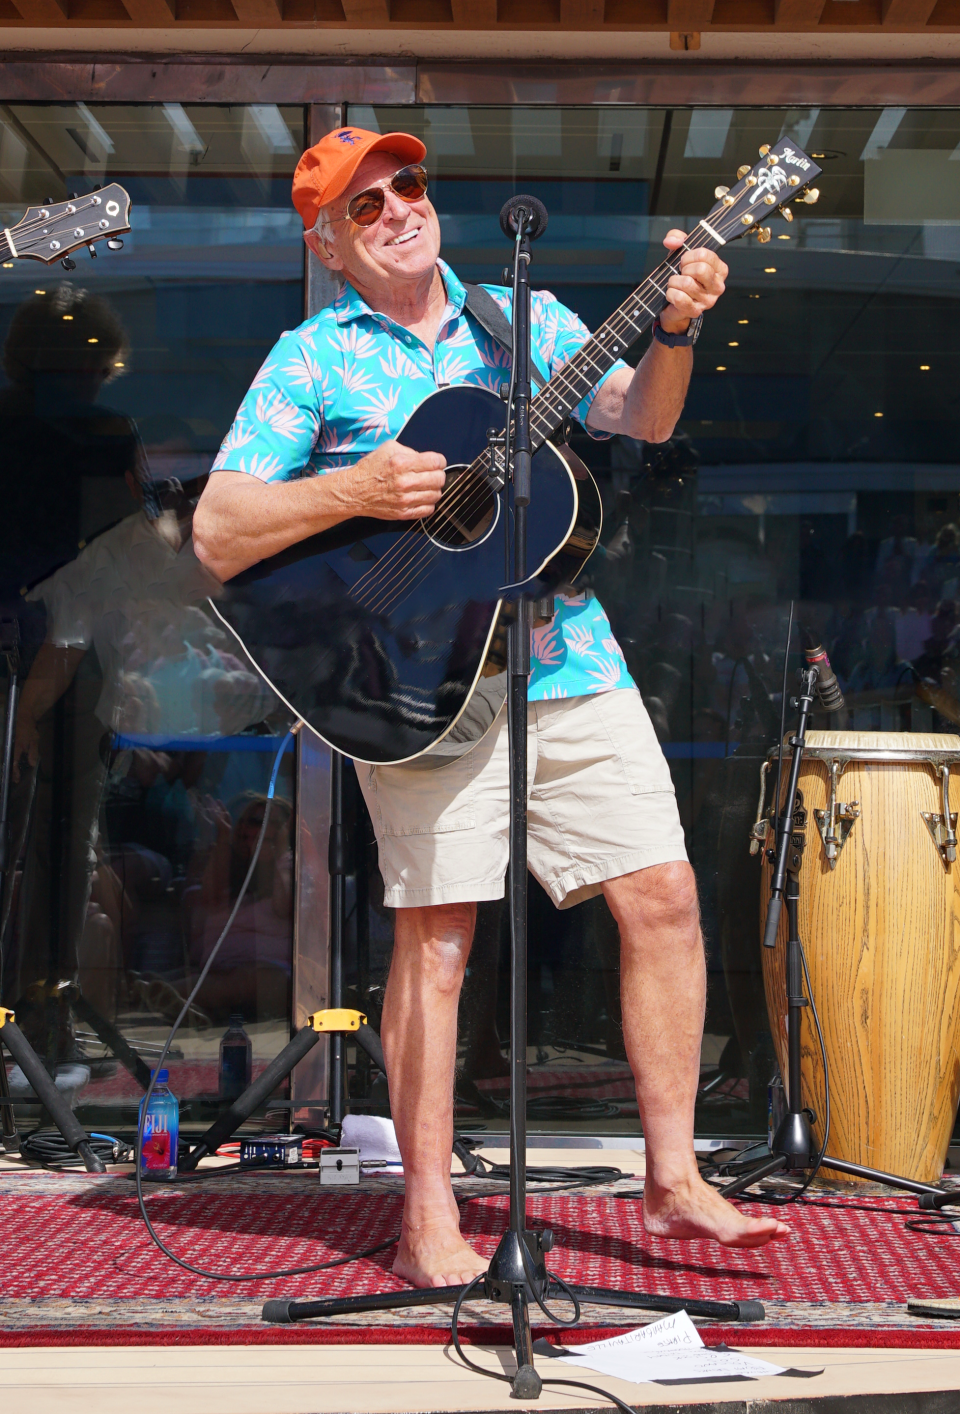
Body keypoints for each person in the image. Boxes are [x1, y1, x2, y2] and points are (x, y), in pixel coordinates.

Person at [193, 124, 788, 1288]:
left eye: (407, 184)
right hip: (410, 675)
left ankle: (672, 1177)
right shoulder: (309, 358)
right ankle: (426, 1217)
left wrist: (679, 323)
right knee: (441, 936)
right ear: (328, 245)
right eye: (366, 207)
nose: (400, 209)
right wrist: (352, 488)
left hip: (569, 659)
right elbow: (218, 531)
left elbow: (643, 419)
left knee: (663, 894)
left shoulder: (526, 319)